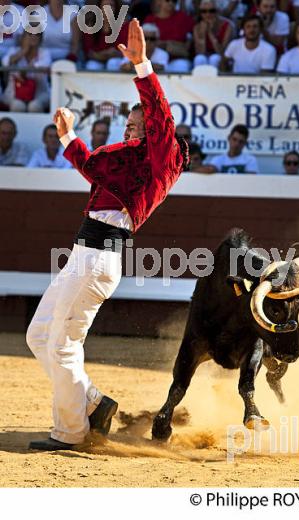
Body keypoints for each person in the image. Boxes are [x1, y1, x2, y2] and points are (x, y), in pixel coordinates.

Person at [26, 19, 189, 451]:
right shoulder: (124, 163)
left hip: (99, 255)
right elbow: (94, 166)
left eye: (137, 126)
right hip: (84, 254)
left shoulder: (160, 157)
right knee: (39, 336)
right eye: (128, 126)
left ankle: (72, 430)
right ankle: (94, 403)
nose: (130, 130)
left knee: (62, 344)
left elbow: (159, 120)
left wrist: (143, 68)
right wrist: (69, 137)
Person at [1, 30, 51, 112]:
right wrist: (24, 51)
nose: (34, 36)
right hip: (13, 94)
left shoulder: (44, 52)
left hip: (39, 94)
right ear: (23, 37)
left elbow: (45, 64)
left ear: (41, 39)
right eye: (30, 34)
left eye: (37, 34)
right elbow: (5, 63)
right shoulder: (13, 50)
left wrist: (24, 71)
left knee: (34, 106)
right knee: (18, 106)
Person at [144, 0, 195, 73]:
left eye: (174, 1)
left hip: (176, 59)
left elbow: (188, 47)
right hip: (155, 57)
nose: (171, 3)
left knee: (181, 66)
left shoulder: (183, 18)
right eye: (167, 0)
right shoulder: (150, 19)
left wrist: (166, 45)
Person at [82, 0, 129, 71]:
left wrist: (112, 54)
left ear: (116, 8)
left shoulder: (124, 25)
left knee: (112, 63)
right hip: (96, 59)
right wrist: (101, 55)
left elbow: (124, 50)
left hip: (117, 59)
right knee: (92, 65)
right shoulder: (90, 26)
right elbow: (89, 52)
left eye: (111, 5)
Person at [193, 0, 233, 69]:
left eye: (211, 11)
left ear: (217, 12)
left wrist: (210, 33)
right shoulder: (197, 27)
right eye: (204, 11)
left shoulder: (227, 26)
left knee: (215, 58)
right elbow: (200, 52)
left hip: (221, 58)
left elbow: (222, 52)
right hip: (206, 56)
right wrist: (202, 34)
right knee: (199, 58)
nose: (208, 14)